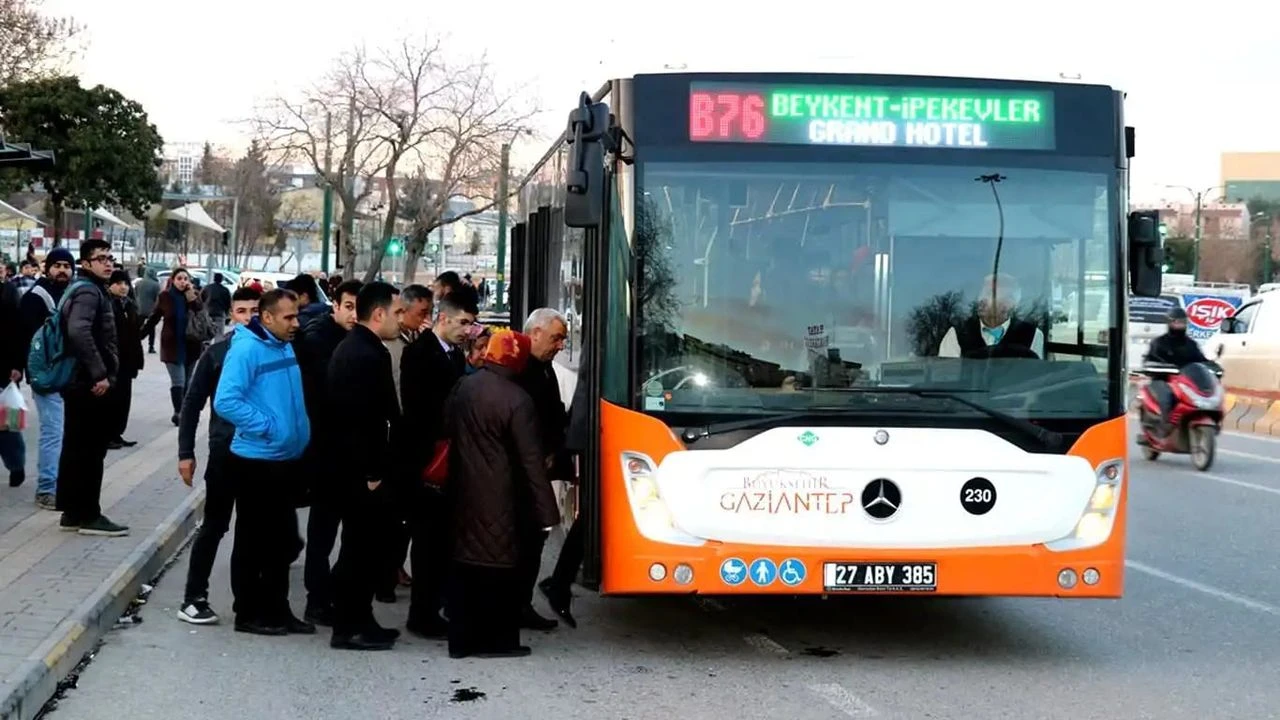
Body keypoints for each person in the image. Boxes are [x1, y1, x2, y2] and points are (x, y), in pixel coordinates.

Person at [443, 329, 560, 659]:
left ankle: (461, 642)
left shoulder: (465, 385)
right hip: (502, 497)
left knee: (465, 568)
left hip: (463, 490)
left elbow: (446, 425)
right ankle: (498, 642)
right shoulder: (517, 399)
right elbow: (531, 460)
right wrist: (547, 514)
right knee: (500, 572)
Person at [213, 288, 313, 636]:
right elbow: (225, 401)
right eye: (288, 317)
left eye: (297, 315)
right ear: (266, 317)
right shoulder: (247, 348)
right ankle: (249, 612)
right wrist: (268, 426)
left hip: (285, 458)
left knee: (282, 541)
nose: (295, 323)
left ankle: (277, 607)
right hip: (257, 460)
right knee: (255, 540)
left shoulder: (283, 344)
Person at [176, 286, 261, 625]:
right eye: (242, 312)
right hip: (225, 451)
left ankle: (247, 601)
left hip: (261, 454)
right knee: (215, 525)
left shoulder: (273, 350)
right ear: (231, 317)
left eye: (255, 311)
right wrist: (185, 453)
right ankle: (193, 597)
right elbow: (192, 403)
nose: (249, 318)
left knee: (252, 529)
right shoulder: (218, 352)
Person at [327, 282, 405, 651]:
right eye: (398, 312)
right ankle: (348, 626)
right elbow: (362, 420)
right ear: (379, 314)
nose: (401, 319)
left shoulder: (366, 347)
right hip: (359, 472)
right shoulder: (362, 353)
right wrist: (373, 473)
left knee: (366, 549)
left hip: (359, 468)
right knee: (357, 552)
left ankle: (362, 618)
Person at [399, 287, 478, 638]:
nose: (467, 330)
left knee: (443, 541)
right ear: (442, 318)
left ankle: (436, 606)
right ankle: (423, 614)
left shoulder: (454, 355)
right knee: (428, 544)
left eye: (471, 324)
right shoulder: (419, 353)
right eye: (463, 322)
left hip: (449, 464)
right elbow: (421, 411)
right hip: (428, 463)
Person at [294, 279, 362, 626]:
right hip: (324, 452)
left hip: (352, 454)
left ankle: (334, 592)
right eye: (347, 306)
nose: (353, 314)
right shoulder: (317, 340)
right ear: (334, 305)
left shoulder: (363, 339)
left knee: (353, 532)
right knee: (323, 533)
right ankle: (317, 599)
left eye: (358, 307)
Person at [56, 239, 127, 537]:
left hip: (79, 382)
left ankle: (73, 511)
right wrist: (100, 373)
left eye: (110, 258)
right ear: (85, 263)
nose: (108, 263)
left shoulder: (89, 288)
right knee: (90, 449)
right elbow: (79, 330)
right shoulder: (88, 291)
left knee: (77, 447)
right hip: (88, 384)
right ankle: (89, 514)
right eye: (100, 259)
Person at [516, 307, 571, 632]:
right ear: (535, 333)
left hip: (539, 468)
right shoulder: (520, 368)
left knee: (535, 538)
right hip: (522, 472)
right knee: (522, 540)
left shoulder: (544, 368)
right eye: (556, 338)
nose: (561, 345)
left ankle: (521, 603)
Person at [18, 248, 75, 509]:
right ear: (47, 268)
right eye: (57, 265)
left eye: (66, 266)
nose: (62, 270)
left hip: (68, 377)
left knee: (62, 433)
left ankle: (59, 485)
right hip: (46, 377)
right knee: (52, 432)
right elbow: (23, 339)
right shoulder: (35, 298)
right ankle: (46, 489)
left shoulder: (70, 293)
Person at [141, 268, 207, 426]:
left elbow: (201, 313)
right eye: (180, 278)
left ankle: (185, 410)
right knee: (179, 381)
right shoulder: (165, 296)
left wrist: (191, 297)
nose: (183, 281)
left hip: (191, 345)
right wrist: (140, 335)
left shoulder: (194, 295)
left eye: (186, 278)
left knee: (188, 382)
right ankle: (179, 413)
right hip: (172, 345)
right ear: (173, 280)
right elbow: (155, 317)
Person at [937, 273, 1044, 359]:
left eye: (989, 294)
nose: (980, 300)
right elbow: (946, 377)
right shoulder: (957, 333)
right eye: (981, 294)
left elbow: (1034, 378)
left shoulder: (1032, 335)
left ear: (1009, 304)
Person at [1142, 306, 1210, 428]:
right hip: (1163, 380)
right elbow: (1149, 360)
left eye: (1182, 322)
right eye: (1176, 322)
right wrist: (1158, 368)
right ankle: (1164, 426)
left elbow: (1201, 360)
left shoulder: (1191, 344)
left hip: (1185, 381)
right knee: (1167, 397)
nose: (1179, 326)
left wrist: (1213, 366)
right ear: (1169, 323)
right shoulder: (1159, 343)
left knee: (1203, 395)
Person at [105, 270, 144, 449]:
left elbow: (136, 334)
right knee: (112, 399)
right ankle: (108, 435)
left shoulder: (129, 305)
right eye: (119, 283)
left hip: (128, 361)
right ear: (110, 285)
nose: (123, 287)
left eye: (126, 283)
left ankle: (117, 433)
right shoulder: (107, 304)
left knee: (124, 399)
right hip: (113, 362)